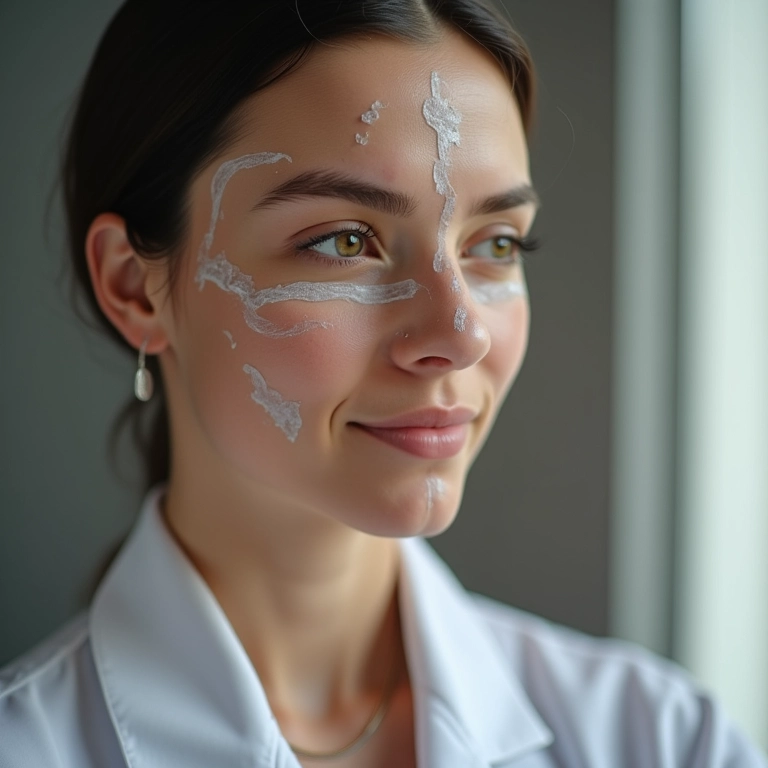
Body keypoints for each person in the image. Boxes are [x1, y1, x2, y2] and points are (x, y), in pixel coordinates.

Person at [0, 1, 766, 766]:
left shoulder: (658, 739)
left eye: (495, 244)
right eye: (343, 241)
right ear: (136, 287)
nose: (460, 335)